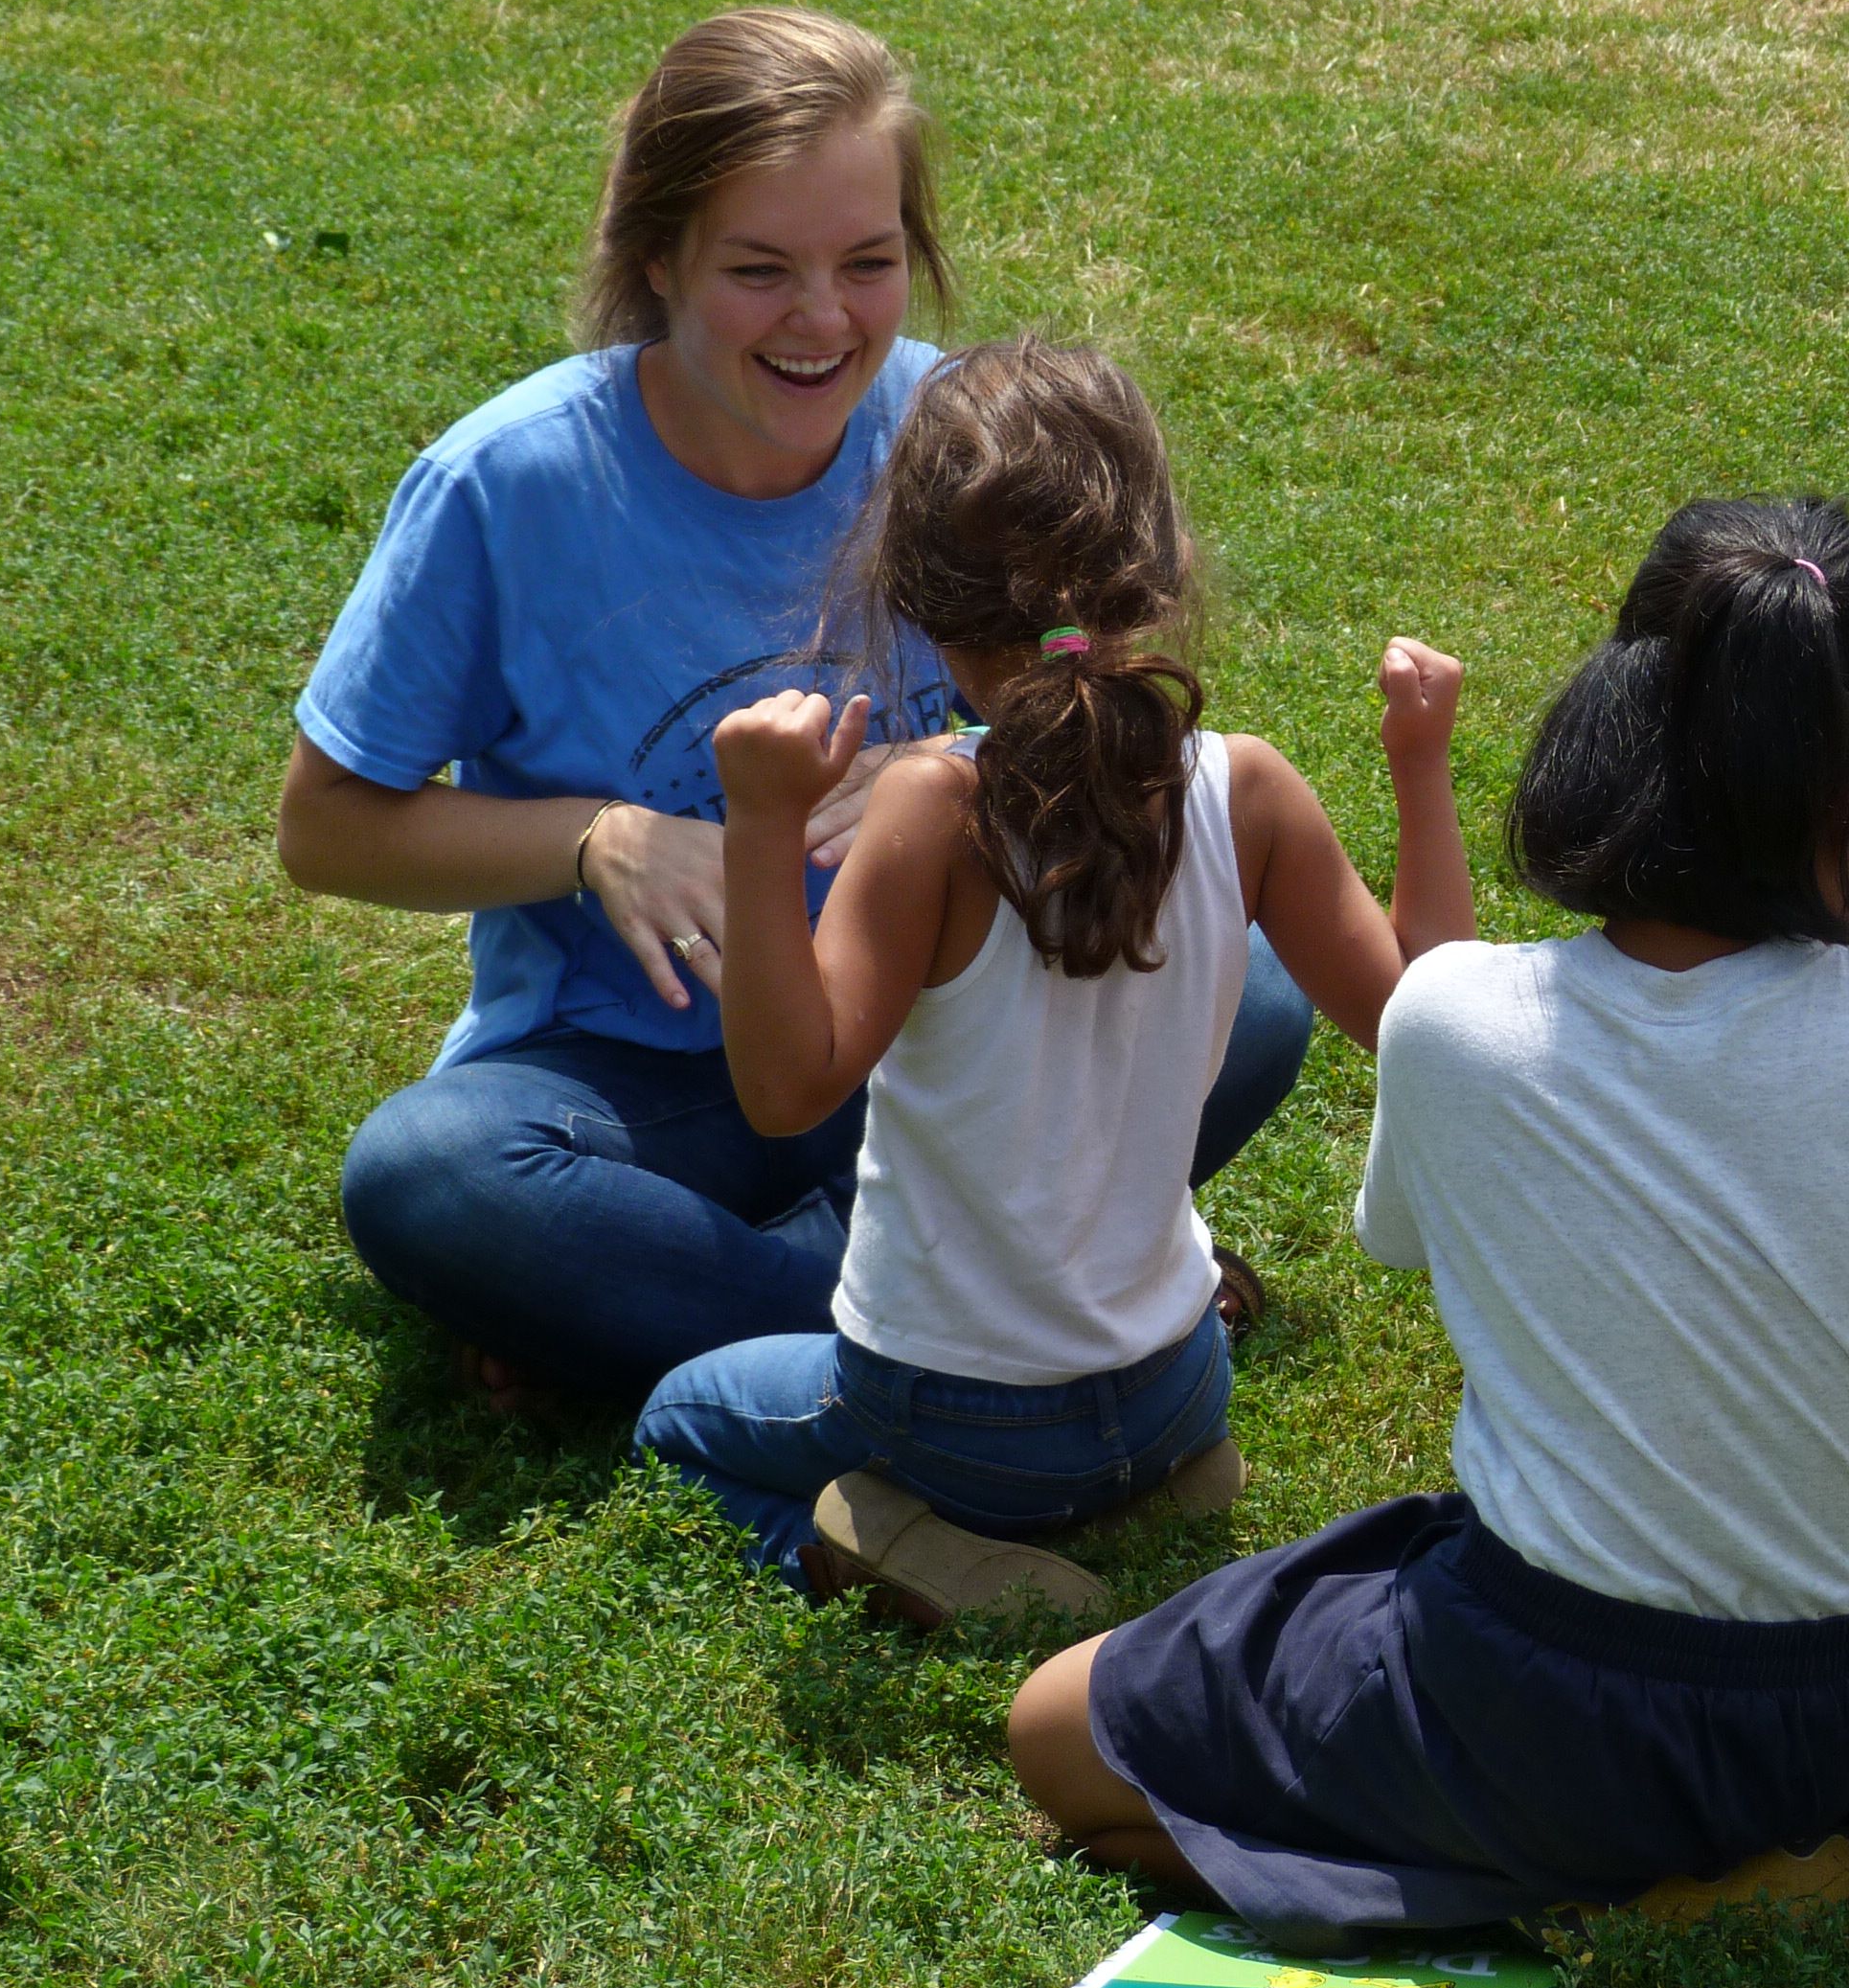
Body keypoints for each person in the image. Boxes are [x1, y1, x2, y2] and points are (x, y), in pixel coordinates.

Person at [1004, 497, 1849, 1949]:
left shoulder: (1454, 1020)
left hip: (1528, 1690)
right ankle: (1754, 1830)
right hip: (1825, 1686)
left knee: (1053, 1735)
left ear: (1614, 729)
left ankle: (1601, 1887)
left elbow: (1415, 1235)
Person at [277, 9, 1316, 1413]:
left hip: (934, 1037)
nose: (822, 321)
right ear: (658, 259)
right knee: (432, 1175)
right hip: (639, 1082)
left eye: (868, 264)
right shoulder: (507, 485)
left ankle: (693, 1317)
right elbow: (326, 828)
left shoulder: (960, 434)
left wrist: (955, 755)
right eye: (759, 271)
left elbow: (1099, 680)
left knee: (1258, 990)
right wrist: (599, 838)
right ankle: (988, 1312)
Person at [627, 337, 1473, 1621]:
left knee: (676, 1419)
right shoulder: (1246, 789)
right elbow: (1427, 1018)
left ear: (917, 600)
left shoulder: (930, 811)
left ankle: (900, 1547)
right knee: (1135, 1396)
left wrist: (761, 824)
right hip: (1180, 1382)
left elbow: (788, 1091)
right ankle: (1152, 1485)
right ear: (1162, 563)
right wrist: (1419, 766)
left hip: (960, 1419)